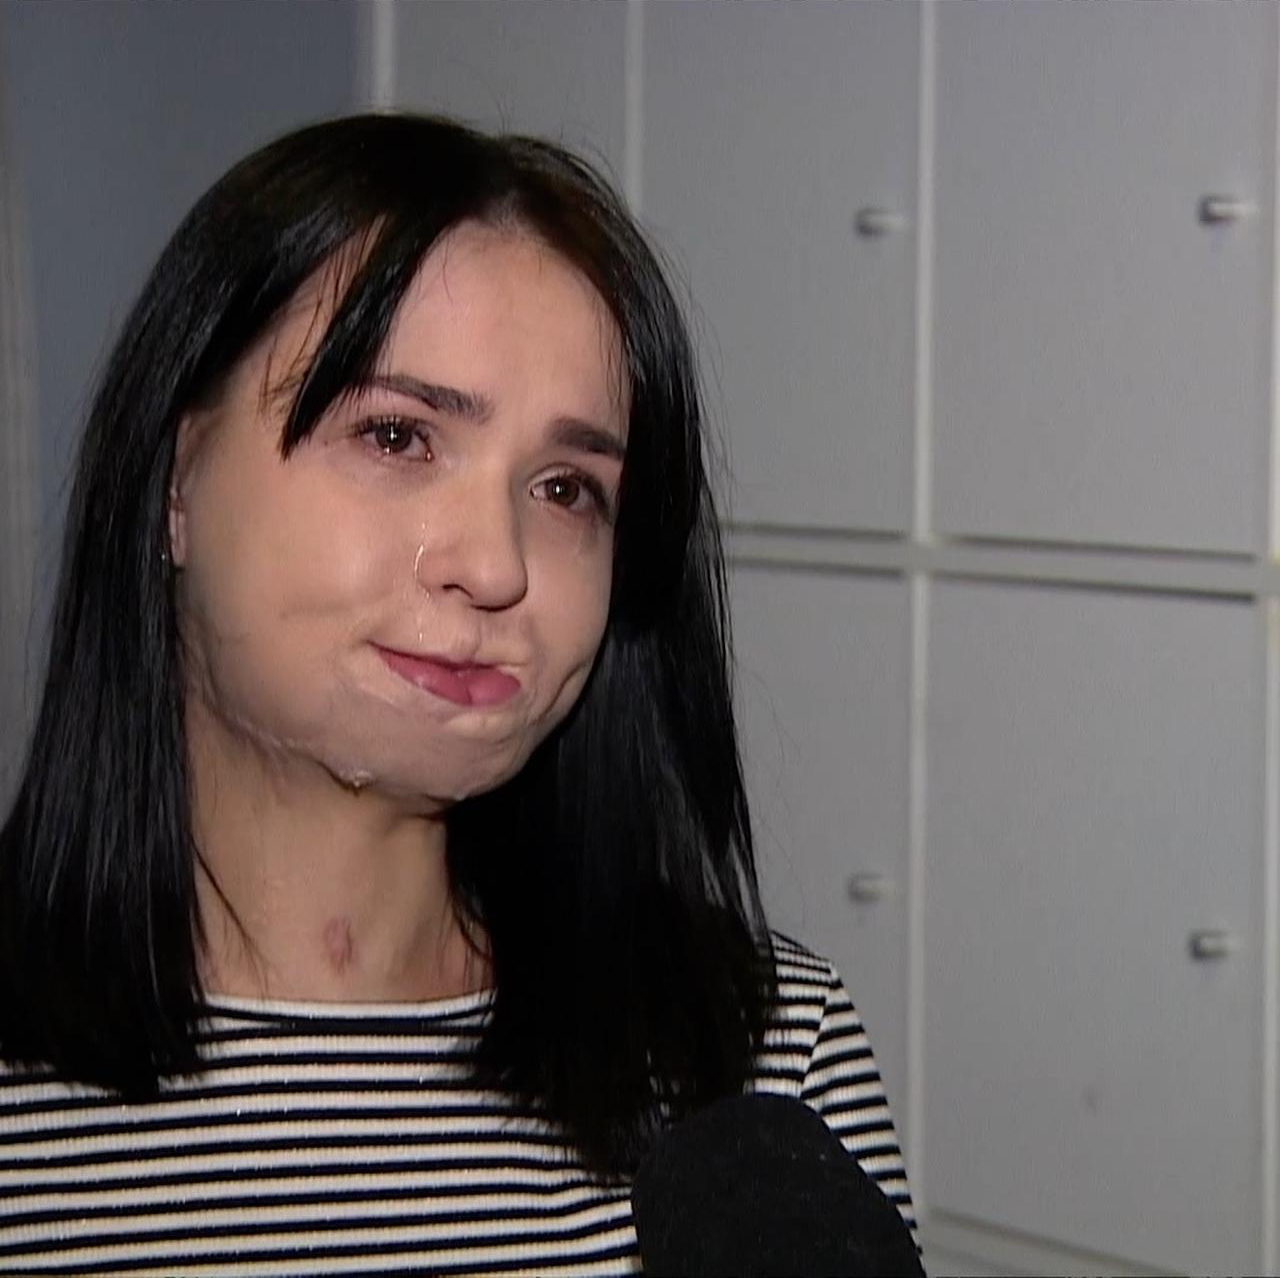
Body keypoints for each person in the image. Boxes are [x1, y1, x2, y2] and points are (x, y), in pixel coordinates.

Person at [0, 113, 914, 1274]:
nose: (493, 563)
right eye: (396, 434)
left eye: (566, 488)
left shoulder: (764, 1053)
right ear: (179, 480)